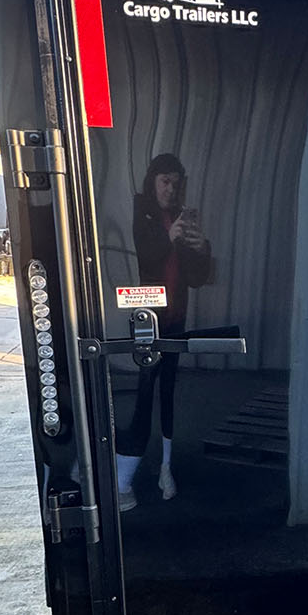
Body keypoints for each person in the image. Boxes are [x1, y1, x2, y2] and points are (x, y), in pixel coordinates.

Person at [115, 153, 212, 509]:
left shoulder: (180, 220)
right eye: (164, 181)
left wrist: (202, 249)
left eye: (175, 182)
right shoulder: (140, 214)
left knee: (169, 392)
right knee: (140, 398)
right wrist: (168, 237)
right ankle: (123, 480)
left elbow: (198, 278)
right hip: (143, 321)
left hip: (175, 319)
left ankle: (166, 468)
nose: (170, 189)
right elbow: (139, 257)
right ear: (152, 181)